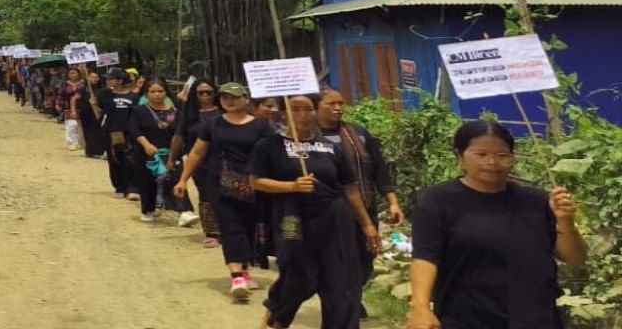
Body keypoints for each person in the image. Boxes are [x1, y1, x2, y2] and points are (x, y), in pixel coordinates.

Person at [407, 120, 586, 329]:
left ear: (513, 158)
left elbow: (576, 258)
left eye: (502, 155)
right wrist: (420, 308)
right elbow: (425, 257)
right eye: (481, 154)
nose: (492, 162)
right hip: (466, 317)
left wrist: (565, 220)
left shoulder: (536, 201)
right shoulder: (439, 200)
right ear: (460, 158)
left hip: (535, 316)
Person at [249, 93, 381, 329]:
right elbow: (256, 181)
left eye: (307, 108)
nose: (302, 114)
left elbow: (349, 188)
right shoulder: (269, 146)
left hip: (334, 218)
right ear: (283, 113)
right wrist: (292, 186)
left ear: (315, 111)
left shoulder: (331, 148)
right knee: (297, 273)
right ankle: (277, 317)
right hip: (291, 218)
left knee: (342, 282)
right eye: (295, 109)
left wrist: (367, 225)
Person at [174, 81, 274, 300]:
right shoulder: (212, 124)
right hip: (219, 182)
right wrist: (183, 179)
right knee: (230, 228)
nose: (230, 100)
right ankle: (236, 276)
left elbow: (273, 154)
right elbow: (197, 153)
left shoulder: (261, 126)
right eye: (225, 97)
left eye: (236, 97)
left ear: (246, 99)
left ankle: (245, 268)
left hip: (252, 184)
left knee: (248, 228)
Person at [315, 88, 403, 310]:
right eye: (331, 104)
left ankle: (352, 294)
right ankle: (344, 301)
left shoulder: (359, 134)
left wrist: (392, 201)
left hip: (364, 206)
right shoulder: (308, 138)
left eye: (341, 103)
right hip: (328, 211)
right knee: (339, 259)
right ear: (316, 106)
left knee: (365, 258)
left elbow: (379, 169)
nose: (338, 108)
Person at [172, 79, 219, 236]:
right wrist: (172, 158)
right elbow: (178, 135)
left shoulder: (223, 111)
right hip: (199, 161)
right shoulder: (188, 113)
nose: (205, 95)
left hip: (223, 160)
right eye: (201, 93)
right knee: (206, 194)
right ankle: (211, 232)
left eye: (209, 92)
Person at [131, 80, 180, 222]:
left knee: (174, 179)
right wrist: (146, 145)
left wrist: (175, 150)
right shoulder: (138, 111)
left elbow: (178, 132)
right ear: (146, 94)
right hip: (146, 151)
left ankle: (182, 209)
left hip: (169, 151)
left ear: (166, 92)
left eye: (160, 91)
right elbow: (135, 130)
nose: (157, 95)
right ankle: (148, 208)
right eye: (152, 91)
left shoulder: (174, 111)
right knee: (147, 181)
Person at [97, 68, 140, 200]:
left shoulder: (134, 96)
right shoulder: (104, 94)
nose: (108, 80)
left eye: (111, 78)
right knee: (115, 159)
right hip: (113, 131)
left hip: (129, 131)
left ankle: (132, 187)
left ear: (120, 80)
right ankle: (119, 187)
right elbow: (100, 112)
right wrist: (94, 104)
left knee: (131, 159)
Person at [78, 70, 107, 158]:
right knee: (88, 132)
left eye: (96, 77)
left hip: (98, 113)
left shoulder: (102, 89)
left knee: (98, 132)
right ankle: (90, 151)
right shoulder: (84, 88)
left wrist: (96, 103)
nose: (94, 79)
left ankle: (98, 151)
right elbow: (77, 98)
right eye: (92, 77)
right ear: (88, 78)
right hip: (86, 113)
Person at [60, 68, 87, 151]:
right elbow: (60, 95)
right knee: (71, 125)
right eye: (71, 73)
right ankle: (71, 142)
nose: (72, 75)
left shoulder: (84, 84)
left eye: (74, 73)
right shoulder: (65, 84)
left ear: (78, 74)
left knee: (81, 126)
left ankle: (82, 143)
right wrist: (58, 104)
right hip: (68, 107)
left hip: (83, 107)